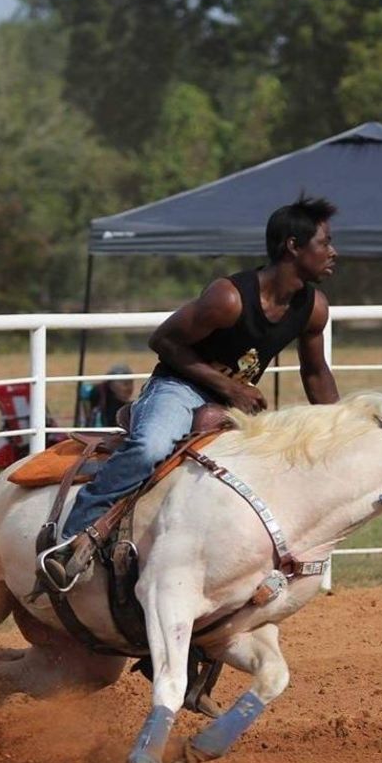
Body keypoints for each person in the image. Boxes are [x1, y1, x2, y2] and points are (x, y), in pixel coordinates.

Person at [44, 194, 341, 589]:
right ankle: (69, 539)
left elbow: (317, 373)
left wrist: (340, 429)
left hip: (229, 402)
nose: (333, 252)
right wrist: (228, 386)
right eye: (324, 243)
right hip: (178, 387)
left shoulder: (313, 307)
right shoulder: (229, 298)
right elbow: (163, 341)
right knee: (151, 447)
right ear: (292, 246)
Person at [79, 363, 135, 428]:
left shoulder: (129, 407)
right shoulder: (101, 399)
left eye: (131, 383)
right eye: (125, 383)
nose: (129, 388)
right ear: (111, 385)